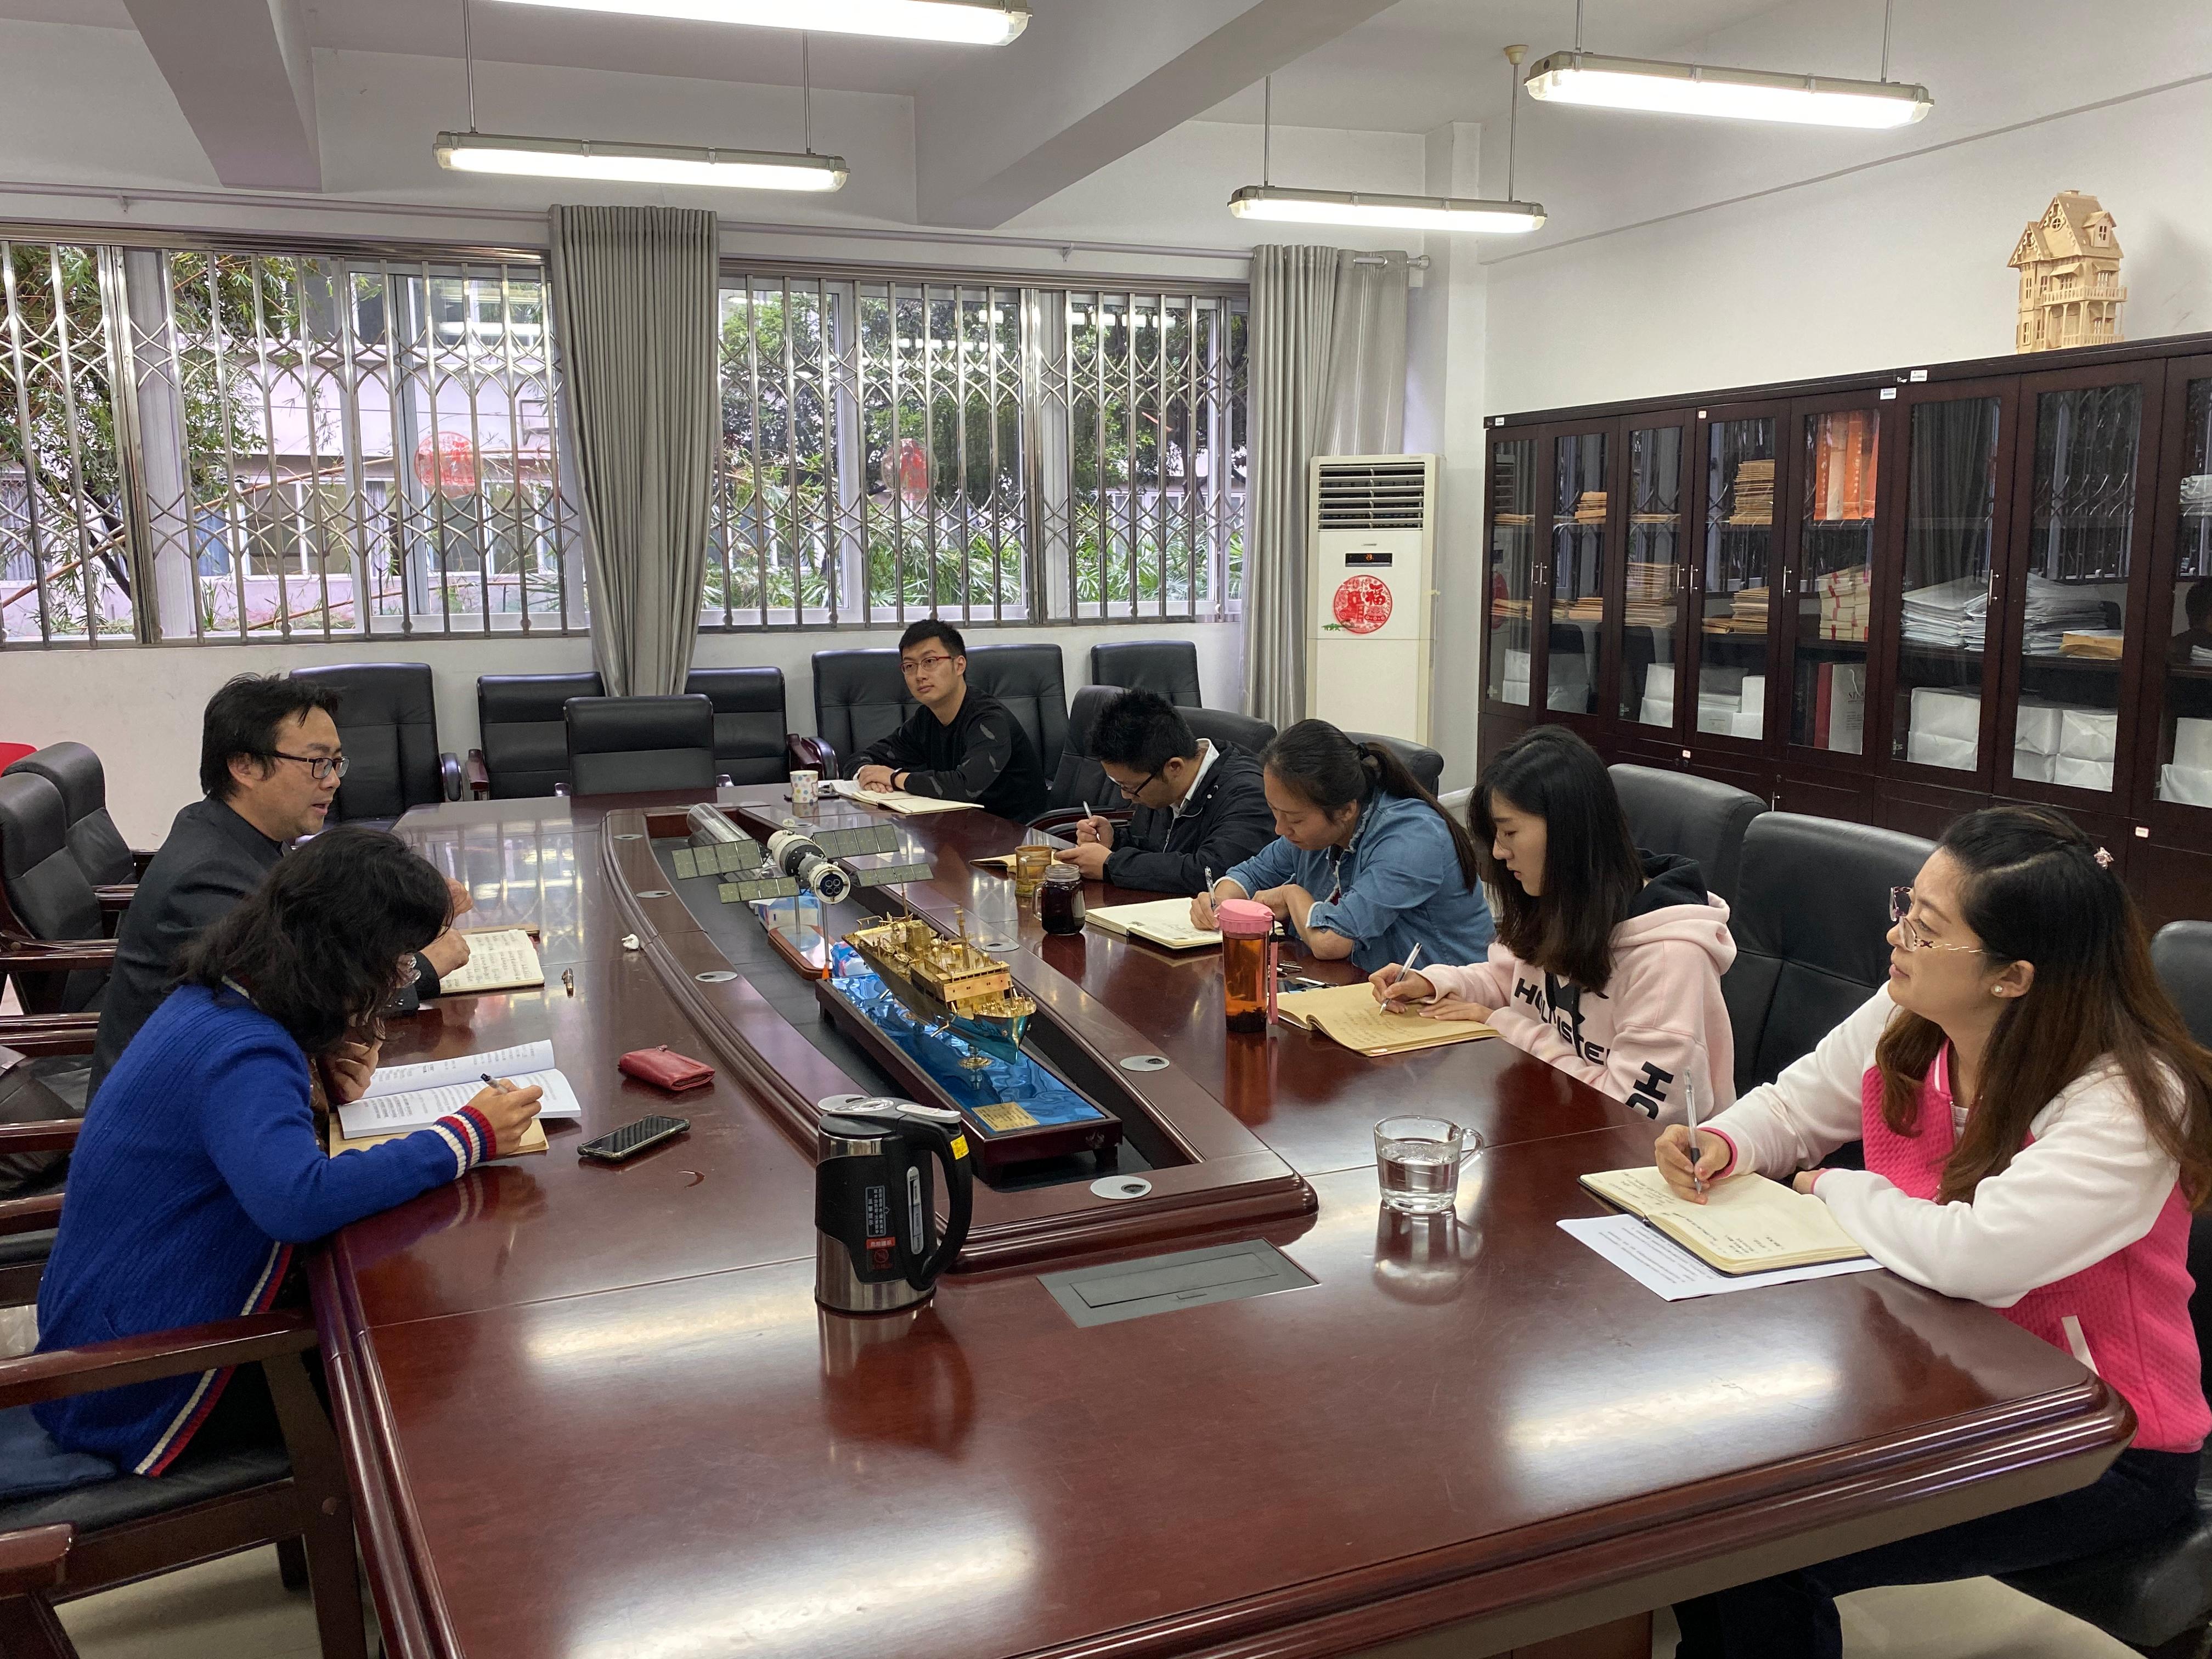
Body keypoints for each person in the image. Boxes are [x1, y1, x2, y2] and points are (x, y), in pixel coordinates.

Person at [1651, 805, 2212, 1659]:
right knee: (1702, 1478)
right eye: (1905, 905)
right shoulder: (1910, 1013)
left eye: (1925, 926)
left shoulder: (2126, 1100)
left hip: (2098, 1437)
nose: (1896, 936)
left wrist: (1832, 1187)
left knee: (1763, 1544)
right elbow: (1799, 1105)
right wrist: (1727, 1142)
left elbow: (1975, 1258)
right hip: (1935, 1377)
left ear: (2011, 977)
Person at [36, 828, 543, 1474]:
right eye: (393, 962)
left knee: (416, 1318)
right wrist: (465, 1136)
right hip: (147, 1382)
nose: (398, 979)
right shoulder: (244, 1049)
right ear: (343, 957)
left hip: (113, 1338)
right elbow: (297, 1202)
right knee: (441, 1374)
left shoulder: (221, 997)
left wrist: (315, 1086)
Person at [91, 674, 473, 1096]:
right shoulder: (206, 881)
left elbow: (313, 941)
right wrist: (420, 968)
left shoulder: (236, 832)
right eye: (317, 762)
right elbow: (294, 1000)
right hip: (171, 1110)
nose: (333, 780)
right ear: (245, 766)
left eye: (337, 763)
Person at [1370, 725, 1734, 1122]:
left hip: (1632, 1150)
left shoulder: (1669, 958)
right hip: (1548, 1120)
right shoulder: (1564, 900)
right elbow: (1511, 982)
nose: (1499, 852)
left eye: (1510, 832)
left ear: (1567, 832)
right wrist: (1437, 983)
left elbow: (1638, 1112)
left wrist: (1507, 1027)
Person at [1192, 720, 1494, 974]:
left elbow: (1331, 941)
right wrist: (1219, 902)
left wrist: (1290, 895)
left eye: (1294, 819)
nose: (1280, 829)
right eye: (1275, 811)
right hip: (1364, 988)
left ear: (1346, 810)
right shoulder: (1314, 830)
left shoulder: (1412, 838)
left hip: (1445, 1005)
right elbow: (1252, 874)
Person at [1054, 690, 1273, 894]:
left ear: (1174, 767)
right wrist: (1115, 841)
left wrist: (1110, 865)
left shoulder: (1248, 794)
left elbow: (1213, 871)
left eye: (1130, 788)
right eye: (1119, 785)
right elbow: (1158, 850)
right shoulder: (1159, 781)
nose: (1126, 796)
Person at [849, 619, 1048, 822]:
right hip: (961, 826)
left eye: (930, 662)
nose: (919, 675)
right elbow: (862, 758)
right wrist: (867, 774)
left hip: (1020, 831)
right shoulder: (926, 719)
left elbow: (964, 787)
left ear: (959, 665)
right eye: (909, 666)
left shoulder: (989, 719)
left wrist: (893, 778)